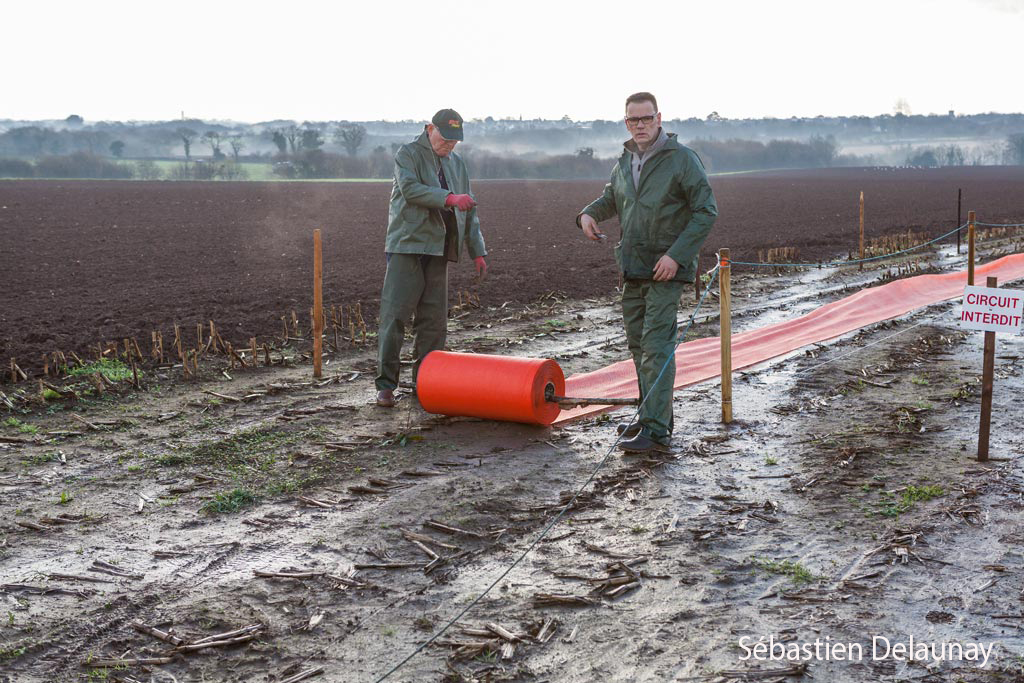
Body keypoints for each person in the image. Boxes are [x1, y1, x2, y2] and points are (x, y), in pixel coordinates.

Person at [577, 92, 717, 451]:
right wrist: (588, 214)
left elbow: (706, 211)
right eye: (632, 120)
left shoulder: (682, 160)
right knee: (639, 346)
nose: (639, 125)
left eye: (645, 118)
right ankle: (648, 417)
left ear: (659, 118)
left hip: (667, 269)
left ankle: (656, 430)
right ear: (626, 122)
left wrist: (676, 256)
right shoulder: (625, 161)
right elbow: (612, 197)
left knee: (656, 346)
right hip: (633, 266)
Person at [375, 108, 487, 407]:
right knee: (394, 316)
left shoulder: (458, 164)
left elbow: (470, 209)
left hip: (440, 249)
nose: (449, 144)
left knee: (434, 322)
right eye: (445, 137)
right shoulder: (408, 154)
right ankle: (386, 385)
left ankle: (425, 382)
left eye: (454, 140)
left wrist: (477, 251)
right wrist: (449, 198)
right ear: (429, 129)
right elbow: (411, 190)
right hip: (407, 246)